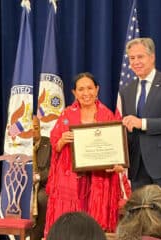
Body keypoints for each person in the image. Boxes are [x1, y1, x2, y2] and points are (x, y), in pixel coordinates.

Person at [120, 37, 161, 235]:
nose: (135, 62)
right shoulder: (127, 90)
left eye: (140, 56)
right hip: (138, 165)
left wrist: (143, 123)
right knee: (141, 222)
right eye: (131, 58)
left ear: (152, 57)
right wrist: (120, 158)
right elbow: (129, 130)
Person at [44, 72, 124, 236]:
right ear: (74, 93)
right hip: (71, 178)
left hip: (100, 177)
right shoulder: (66, 115)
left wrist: (115, 163)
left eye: (89, 88)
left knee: (94, 225)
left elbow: (116, 148)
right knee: (70, 225)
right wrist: (62, 140)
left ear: (97, 90)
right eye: (81, 89)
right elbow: (55, 144)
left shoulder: (107, 115)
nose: (86, 93)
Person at [31, 115, 51, 240]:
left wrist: (38, 177)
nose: (33, 131)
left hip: (43, 184)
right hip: (23, 185)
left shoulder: (49, 144)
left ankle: (37, 236)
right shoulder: (17, 144)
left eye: (36, 128)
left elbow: (53, 169)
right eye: (29, 128)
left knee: (42, 198)